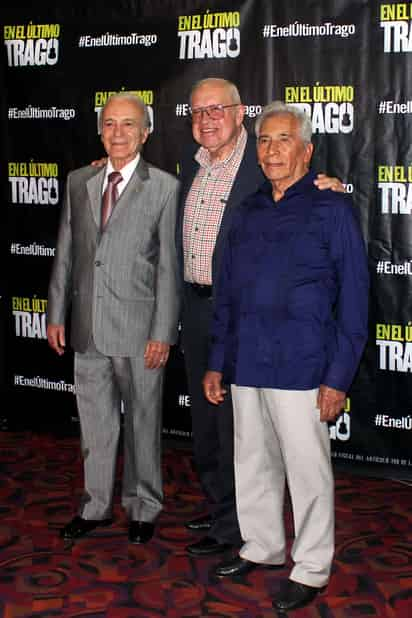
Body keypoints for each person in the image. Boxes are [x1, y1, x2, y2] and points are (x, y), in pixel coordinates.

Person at [203, 101, 368, 612]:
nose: (273, 150)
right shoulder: (247, 210)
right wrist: (216, 360)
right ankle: (263, 545)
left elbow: (356, 300)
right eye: (266, 140)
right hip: (246, 360)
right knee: (251, 462)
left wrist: (338, 378)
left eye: (284, 140)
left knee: (308, 472)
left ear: (307, 149)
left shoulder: (332, 208)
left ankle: (313, 567)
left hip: (303, 365)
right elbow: (227, 291)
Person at [176, 77, 346, 557]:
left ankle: (256, 538)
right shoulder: (193, 170)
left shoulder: (276, 173)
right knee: (217, 433)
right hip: (203, 313)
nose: (206, 119)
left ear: (238, 113)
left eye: (216, 110)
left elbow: (301, 185)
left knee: (262, 443)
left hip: (273, 335)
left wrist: (326, 183)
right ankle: (230, 517)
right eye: (198, 112)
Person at [47, 93, 180, 545]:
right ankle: (95, 506)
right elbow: (66, 252)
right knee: (95, 425)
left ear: (146, 132)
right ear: (99, 130)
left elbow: (168, 268)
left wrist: (163, 331)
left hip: (140, 332)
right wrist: (56, 312)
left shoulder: (164, 186)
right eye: (109, 124)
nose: (118, 133)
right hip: (86, 327)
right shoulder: (79, 180)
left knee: (143, 423)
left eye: (129, 124)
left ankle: (144, 507)